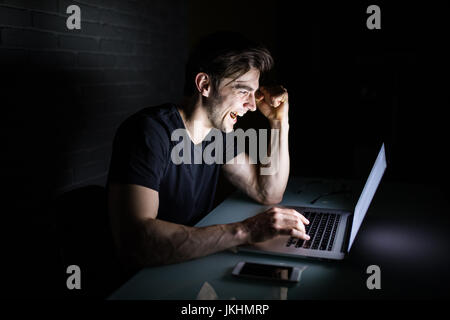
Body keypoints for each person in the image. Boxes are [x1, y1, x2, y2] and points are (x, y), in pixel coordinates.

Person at [107, 31, 310, 269]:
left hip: (187, 264)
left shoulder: (217, 137)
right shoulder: (148, 132)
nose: (253, 106)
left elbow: (268, 192)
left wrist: (278, 122)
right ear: (204, 85)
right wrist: (245, 231)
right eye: (243, 91)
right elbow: (135, 242)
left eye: (253, 94)